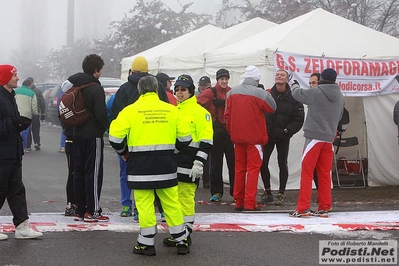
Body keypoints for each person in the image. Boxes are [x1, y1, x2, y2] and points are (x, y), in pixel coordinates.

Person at [109, 76, 192, 256]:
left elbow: (114, 138)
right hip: (166, 164)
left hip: (139, 166)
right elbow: (186, 138)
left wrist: (124, 152)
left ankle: (146, 244)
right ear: (157, 90)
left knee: (144, 203)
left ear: (140, 91)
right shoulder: (172, 110)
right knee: (171, 202)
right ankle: (181, 240)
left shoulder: (129, 111)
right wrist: (173, 151)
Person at [110, 56, 167, 219]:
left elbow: (116, 114)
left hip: (130, 139)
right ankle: (161, 209)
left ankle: (127, 206)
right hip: (154, 138)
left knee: (126, 173)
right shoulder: (159, 87)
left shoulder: (124, 88)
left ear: (132, 71)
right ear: (148, 72)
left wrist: (122, 146)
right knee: (155, 175)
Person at [162, 74, 213, 247]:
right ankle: (177, 234)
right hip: (173, 163)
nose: (179, 93)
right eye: (177, 89)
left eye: (183, 89)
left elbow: (206, 142)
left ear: (191, 91)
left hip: (190, 164)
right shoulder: (173, 111)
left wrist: (199, 163)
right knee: (172, 201)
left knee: (185, 200)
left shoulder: (201, 113)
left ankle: (185, 235)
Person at [289, 68, 344, 218]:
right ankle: (324, 207)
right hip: (328, 139)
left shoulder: (316, 92)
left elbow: (297, 94)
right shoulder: (340, 96)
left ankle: (303, 208)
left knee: (307, 174)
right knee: (325, 175)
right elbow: (339, 117)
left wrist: (292, 83)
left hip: (314, 138)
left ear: (321, 79)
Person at [0, 64, 43, 240]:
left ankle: (22, 226)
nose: (18, 78)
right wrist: (14, 124)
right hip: (2, 156)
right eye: (14, 75)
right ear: (4, 78)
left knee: (17, 190)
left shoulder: (10, 96)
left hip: (13, 153)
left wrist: (18, 124)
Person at [225, 66, 276, 211]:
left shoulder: (231, 93)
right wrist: (267, 93)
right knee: (253, 170)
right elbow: (272, 107)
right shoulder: (261, 93)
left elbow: (227, 116)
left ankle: (239, 201)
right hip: (255, 139)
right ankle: (249, 203)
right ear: (257, 79)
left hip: (237, 138)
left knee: (239, 170)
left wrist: (231, 132)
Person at [69, 54, 110, 222]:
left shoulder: (74, 85)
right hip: (93, 135)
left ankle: (80, 209)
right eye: (100, 70)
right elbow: (101, 114)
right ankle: (92, 210)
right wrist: (104, 127)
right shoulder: (95, 88)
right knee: (93, 172)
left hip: (76, 133)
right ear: (96, 70)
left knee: (78, 171)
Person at [259, 69, 304, 205]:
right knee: (262, 162)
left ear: (287, 79)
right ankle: (268, 192)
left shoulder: (294, 97)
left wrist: (287, 130)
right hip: (268, 134)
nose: (279, 76)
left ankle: (281, 193)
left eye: (282, 75)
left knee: (282, 163)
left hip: (283, 136)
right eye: (277, 74)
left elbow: (299, 118)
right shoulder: (267, 94)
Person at [197, 69, 235, 202]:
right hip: (216, 131)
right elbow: (197, 103)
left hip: (230, 132)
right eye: (221, 79)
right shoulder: (210, 92)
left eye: (226, 79)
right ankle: (217, 192)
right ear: (217, 80)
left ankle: (235, 192)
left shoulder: (232, 91)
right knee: (215, 163)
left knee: (233, 163)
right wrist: (206, 118)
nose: (224, 81)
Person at [59, 80, 76, 216]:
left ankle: (74, 202)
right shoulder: (67, 105)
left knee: (74, 173)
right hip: (72, 140)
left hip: (71, 140)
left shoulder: (65, 102)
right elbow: (70, 122)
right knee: (73, 173)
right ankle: (71, 203)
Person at [14, 78, 38, 153]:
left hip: (16, 113)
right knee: (25, 131)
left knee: (16, 130)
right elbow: (34, 105)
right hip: (26, 114)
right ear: (30, 85)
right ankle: (24, 146)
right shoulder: (31, 93)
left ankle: (16, 145)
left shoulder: (15, 91)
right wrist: (35, 113)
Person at [196, 75, 212, 188]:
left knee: (208, 155)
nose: (202, 88)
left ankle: (207, 179)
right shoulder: (195, 96)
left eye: (204, 85)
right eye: (201, 85)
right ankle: (197, 178)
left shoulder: (211, 94)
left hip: (208, 127)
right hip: (197, 127)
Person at [26, 77, 45, 151]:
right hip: (36, 112)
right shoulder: (37, 91)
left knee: (27, 129)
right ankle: (37, 142)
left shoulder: (25, 90)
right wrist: (43, 112)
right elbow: (42, 102)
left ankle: (28, 144)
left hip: (27, 112)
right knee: (36, 128)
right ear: (33, 82)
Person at [309, 73, 321, 189]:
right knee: (313, 168)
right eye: (310, 83)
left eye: (314, 83)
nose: (311, 85)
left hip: (322, 137)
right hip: (313, 136)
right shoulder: (312, 97)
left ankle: (323, 195)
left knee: (321, 168)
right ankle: (321, 193)